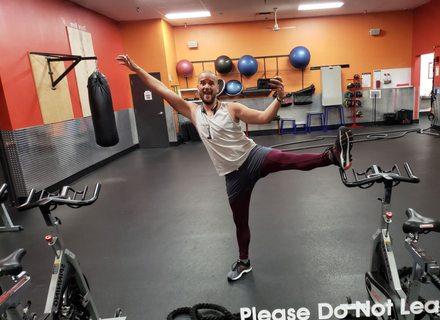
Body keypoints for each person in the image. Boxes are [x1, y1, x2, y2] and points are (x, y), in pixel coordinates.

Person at [116, 55, 353, 282]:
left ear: (217, 87)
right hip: (233, 176)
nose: (206, 86)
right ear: (197, 88)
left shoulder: (232, 109)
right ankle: (244, 261)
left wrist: (279, 98)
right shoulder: (192, 111)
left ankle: (332, 156)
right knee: (240, 221)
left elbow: (263, 118)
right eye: (202, 83)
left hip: (252, 157)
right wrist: (136, 69)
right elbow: (161, 89)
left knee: (286, 158)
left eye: (210, 82)